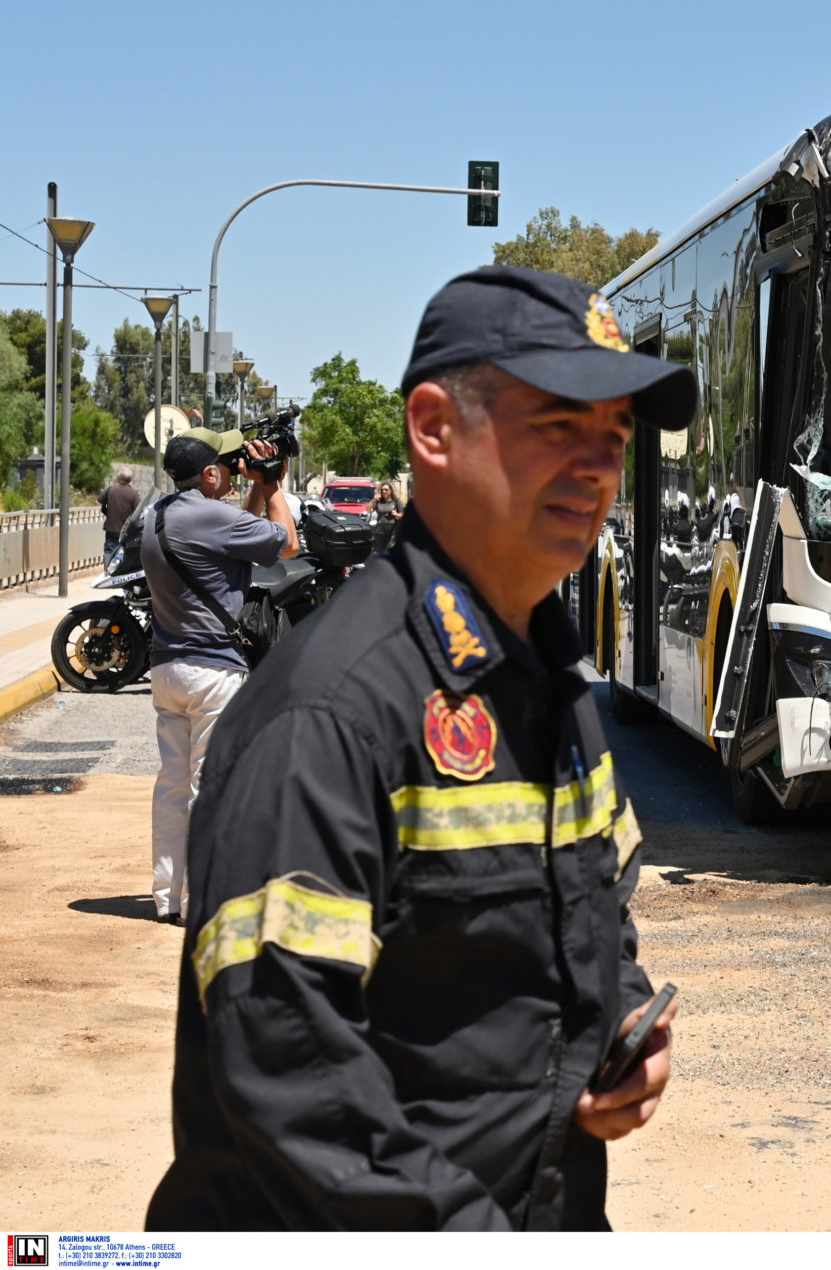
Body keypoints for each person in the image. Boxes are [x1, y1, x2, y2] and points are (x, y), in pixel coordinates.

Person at [147, 265, 698, 1231]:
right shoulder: (334, 709)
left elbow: (587, 910)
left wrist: (620, 1019)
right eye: (559, 426)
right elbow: (288, 1063)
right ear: (434, 429)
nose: (600, 468)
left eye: (614, 436)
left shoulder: (547, 670)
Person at [140, 431, 297, 926]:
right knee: (209, 786)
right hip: (211, 672)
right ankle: (203, 898)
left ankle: (168, 896)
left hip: (167, 670)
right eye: (226, 466)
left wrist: (253, 488)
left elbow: (239, 531)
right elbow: (286, 544)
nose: (232, 471)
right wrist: (271, 485)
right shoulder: (209, 516)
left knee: (172, 787)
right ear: (209, 475)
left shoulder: (159, 515)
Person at [101, 466, 140, 567]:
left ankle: (107, 572)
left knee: (109, 550)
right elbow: (139, 511)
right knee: (124, 552)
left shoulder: (110, 490)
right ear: (129, 480)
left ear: (119, 478)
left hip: (111, 528)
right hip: (126, 530)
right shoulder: (134, 494)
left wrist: (106, 511)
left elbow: (98, 502)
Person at [372, 479, 403, 551]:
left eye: (386, 489)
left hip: (392, 530)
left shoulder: (396, 501)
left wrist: (396, 514)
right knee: (380, 550)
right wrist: (374, 500)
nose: (384, 491)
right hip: (380, 530)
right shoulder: (379, 501)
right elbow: (369, 510)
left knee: (389, 550)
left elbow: (403, 515)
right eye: (382, 490)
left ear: (391, 490)